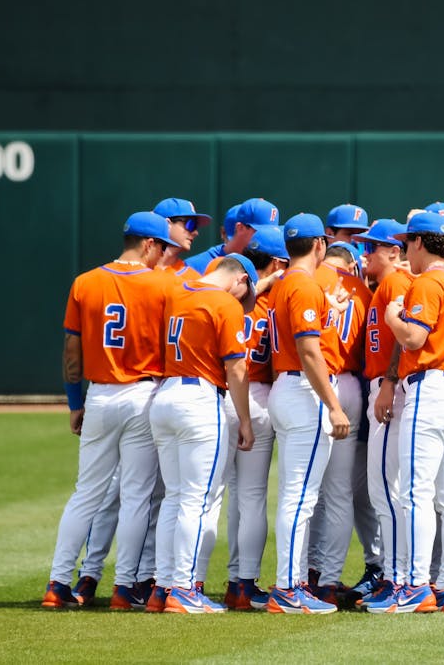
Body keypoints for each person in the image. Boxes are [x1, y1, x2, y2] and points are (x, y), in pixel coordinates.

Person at [43, 211, 177, 610]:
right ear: (150, 244)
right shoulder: (163, 285)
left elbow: (71, 350)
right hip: (143, 395)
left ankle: (57, 582)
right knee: (136, 495)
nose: (163, 254)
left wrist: (74, 402)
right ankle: (123, 589)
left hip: (99, 395)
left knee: (86, 494)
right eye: (162, 247)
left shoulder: (85, 282)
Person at [366, 211, 444, 614]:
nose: (404, 251)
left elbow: (413, 336)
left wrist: (393, 316)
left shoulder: (427, 281)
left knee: (415, 493)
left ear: (418, 242)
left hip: (430, 390)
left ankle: (414, 584)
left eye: (407, 242)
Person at [148, 254, 258, 614]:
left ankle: (162, 587)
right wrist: (244, 419)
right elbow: (237, 367)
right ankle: (183, 589)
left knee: (175, 498)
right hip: (198, 399)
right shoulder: (224, 302)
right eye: (246, 291)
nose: (244, 299)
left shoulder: (178, 293)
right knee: (195, 500)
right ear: (239, 279)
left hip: (164, 397)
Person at [264, 213, 350, 615]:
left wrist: (327, 305)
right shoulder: (302, 285)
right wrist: (334, 405)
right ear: (319, 245)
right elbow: (310, 350)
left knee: (297, 495)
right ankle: (287, 588)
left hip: (290, 387)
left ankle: (291, 583)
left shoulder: (287, 282)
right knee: (300, 497)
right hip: (303, 390)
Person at [348, 219, 417, 610]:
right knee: (383, 490)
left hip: (391, 389)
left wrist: (389, 382)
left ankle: (397, 577)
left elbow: (404, 337)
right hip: (386, 387)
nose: (366, 253)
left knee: (386, 490)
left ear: (395, 251)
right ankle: (395, 574)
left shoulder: (396, 282)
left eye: (373, 247)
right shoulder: (385, 284)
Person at [221, 225, 290, 610]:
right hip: (257, 396)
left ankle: (221, 581)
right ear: (279, 263)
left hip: (221, 398)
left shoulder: (226, 296)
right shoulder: (282, 295)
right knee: (251, 497)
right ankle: (245, 583)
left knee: (217, 498)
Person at [307, 241, 376, 604]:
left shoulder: (307, 277)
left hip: (316, 384)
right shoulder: (363, 290)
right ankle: (329, 578)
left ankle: (304, 573)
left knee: (304, 491)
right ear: (352, 263)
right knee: (337, 492)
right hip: (351, 385)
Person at [185, 198, 280, 274]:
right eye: (261, 232)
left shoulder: (275, 263)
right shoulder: (196, 266)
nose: (268, 236)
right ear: (240, 228)